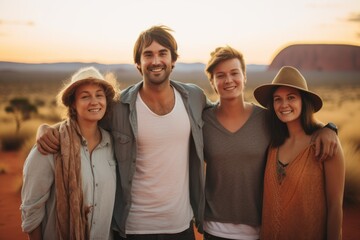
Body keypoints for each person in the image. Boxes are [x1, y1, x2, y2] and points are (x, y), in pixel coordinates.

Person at [35, 25, 210, 240]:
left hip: (181, 225)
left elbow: (222, 114)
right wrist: (47, 128)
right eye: (148, 55)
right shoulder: (119, 107)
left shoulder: (193, 97)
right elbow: (83, 121)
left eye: (163, 53)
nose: (156, 61)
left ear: (173, 60)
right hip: (133, 228)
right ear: (138, 63)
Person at [202, 46, 339, 240]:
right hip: (213, 229)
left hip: (259, 229)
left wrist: (329, 128)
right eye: (220, 75)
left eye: (234, 73)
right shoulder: (203, 120)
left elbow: (299, 126)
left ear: (244, 77)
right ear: (213, 82)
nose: (228, 80)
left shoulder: (266, 118)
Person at [20, 66, 118, 239]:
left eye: (99, 95)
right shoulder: (50, 146)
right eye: (85, 96)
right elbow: (31, 209)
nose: (94, 101)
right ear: (73, 103)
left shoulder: (113, 144)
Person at [253, 66, 345, 239]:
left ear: (304, 101)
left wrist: (329, 128)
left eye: (291, 97)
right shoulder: (271, 142)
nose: (283, 105)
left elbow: (335, 206)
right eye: (277, 99)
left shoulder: (325, 143)